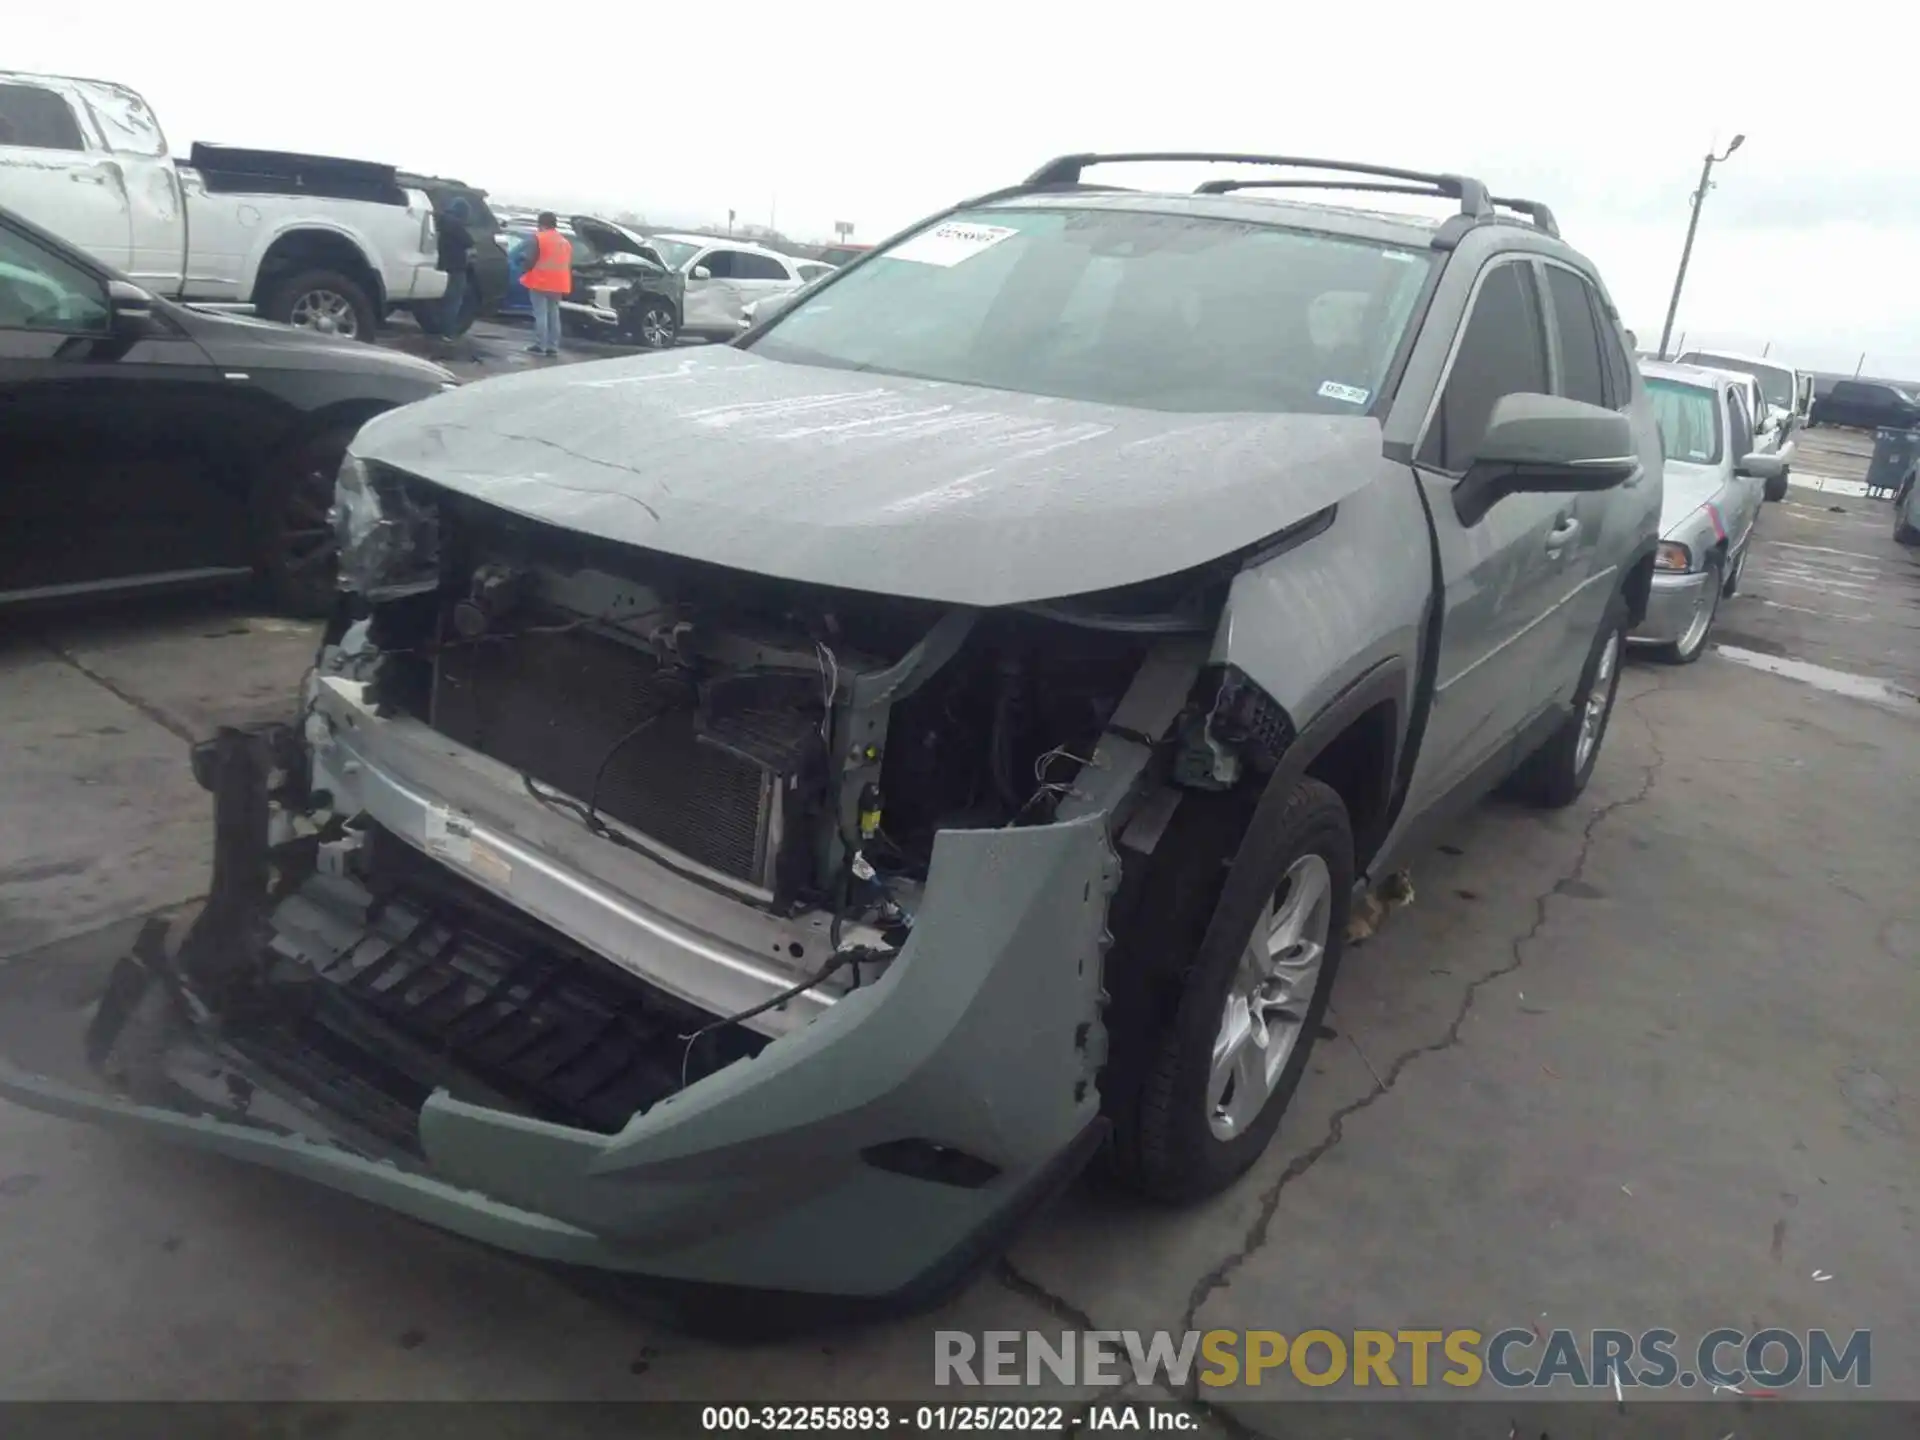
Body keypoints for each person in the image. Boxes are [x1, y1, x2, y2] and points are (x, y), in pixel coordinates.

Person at [513, 212, 572, 357]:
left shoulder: (539, 238)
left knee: (540, 314)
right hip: (559, 283)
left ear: (541, 224)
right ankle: (553, 346)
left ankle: (540, 345)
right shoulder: (564, 242)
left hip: (540, 281)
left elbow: (530, 259)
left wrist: (524, 268)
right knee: (554, 315)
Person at [434, 197, 475, 337]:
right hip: (457, 267)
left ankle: (441, 329)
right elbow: (469, 241)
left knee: (444, 300)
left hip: (441, 265)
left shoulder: (442, 222)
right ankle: (448, 332)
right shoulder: (456, 225)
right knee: (454, 301)